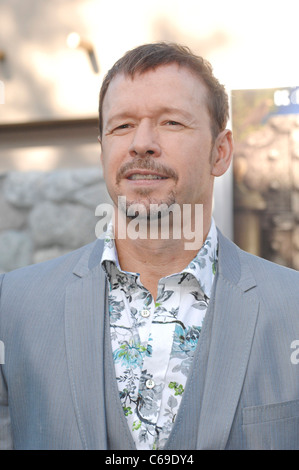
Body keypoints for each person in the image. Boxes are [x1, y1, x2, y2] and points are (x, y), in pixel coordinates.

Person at [1, 42, 299, 451]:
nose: (141, 143)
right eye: (122, 126)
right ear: (103, 147)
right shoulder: (12, 306)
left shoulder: (293, 307)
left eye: (172, 123)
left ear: (221, 151)